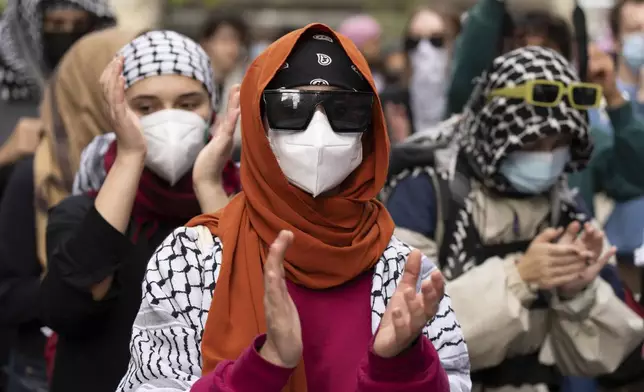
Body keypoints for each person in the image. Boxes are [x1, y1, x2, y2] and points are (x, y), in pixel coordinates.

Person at [116, 24, 471, 392]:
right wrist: (263, 367)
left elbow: (456, 382)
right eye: (291, 106)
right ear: (260, 122)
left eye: (344, 110)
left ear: (369, 128)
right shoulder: (193, 257)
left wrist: (400, 368)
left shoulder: (404, 273)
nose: (320, 130)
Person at [384, 45, 644, 392]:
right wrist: (520, 277)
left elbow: (604, 356)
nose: (547, 158)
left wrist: (577, 294)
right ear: (497, 129)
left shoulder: (564, 203)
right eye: (533, 144)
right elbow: (405, 330)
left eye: (559, 143)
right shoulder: (424, 191)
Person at [39, 30, 240, 392]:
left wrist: (209, 184)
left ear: (212, 107)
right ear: (117, 111)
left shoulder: (238, 206)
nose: (169, 121)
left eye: (188, 104)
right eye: (144, 108)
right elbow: (68, 307)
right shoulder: (81, 211)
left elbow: (244, 303)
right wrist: (131, 156)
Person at [0, 27, 134, 392]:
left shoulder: (164, 174)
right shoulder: (37, 173)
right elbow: (8, 293)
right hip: (40, 370)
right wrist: (72, 280)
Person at [0, 0, 115, 175]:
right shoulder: (7, 93)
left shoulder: (105, 101)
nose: (68, 34)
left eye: (80, 25)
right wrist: (7, 154)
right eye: (55, 24)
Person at [380, 6, 461, 143]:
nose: (424, 50)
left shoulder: (468, 101)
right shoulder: (392, 103)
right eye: (414, 42)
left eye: (436, 40)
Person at [198, 12, 250, 158]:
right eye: (224, 40)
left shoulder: (246, 82)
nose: (232, 48)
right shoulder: (194, 82)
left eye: (237, 41)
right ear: (206, 43)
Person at [338, 14, 384, 91]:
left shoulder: (378, 70)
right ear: (357, 45)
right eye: (374, 42)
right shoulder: (345, 79)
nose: (379, 47)